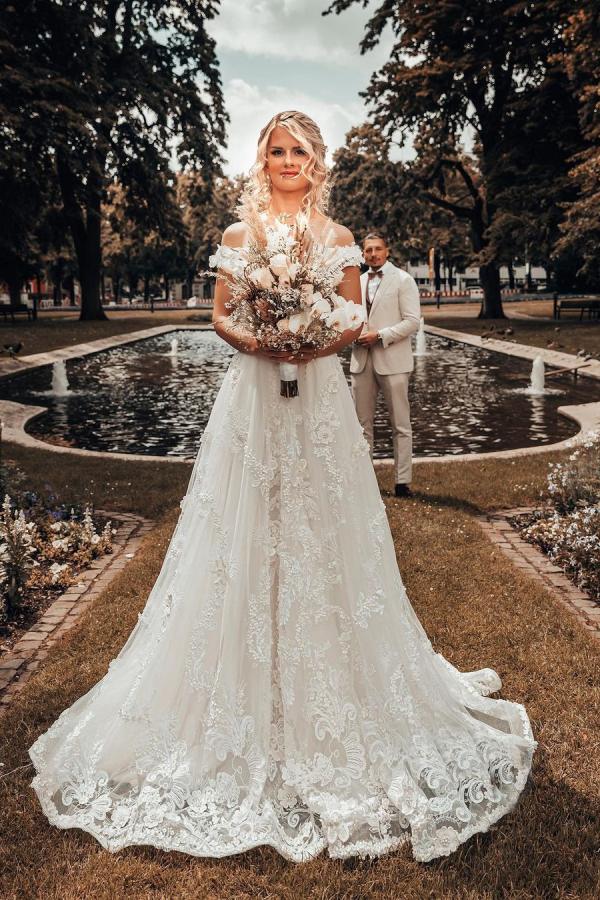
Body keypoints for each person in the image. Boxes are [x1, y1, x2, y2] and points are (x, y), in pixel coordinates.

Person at [28, 110, 535, 864]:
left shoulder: (339, 238)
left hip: (320, 398)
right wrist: (266, 341)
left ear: (316, 161)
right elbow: (220, 317)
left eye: (299, 150)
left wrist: (310, 339)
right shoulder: (240, 237)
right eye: (276, 150)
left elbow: (352, 318)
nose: (288, 160)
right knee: (242, 523)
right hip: (255, 400)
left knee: (326, 527)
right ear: (262, 160)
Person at [351, 233, 420, 497]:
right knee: (361, 426)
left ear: (387, 251)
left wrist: (380, 336)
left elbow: (412, 321)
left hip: (394, 361)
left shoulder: (403, 280)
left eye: (378, 249)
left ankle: (403, 483)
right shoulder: (355, 282)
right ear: (363, 254)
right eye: (368, 250)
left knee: (400, 425)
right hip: (361, 361)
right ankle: (365, 483)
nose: (373, 254)